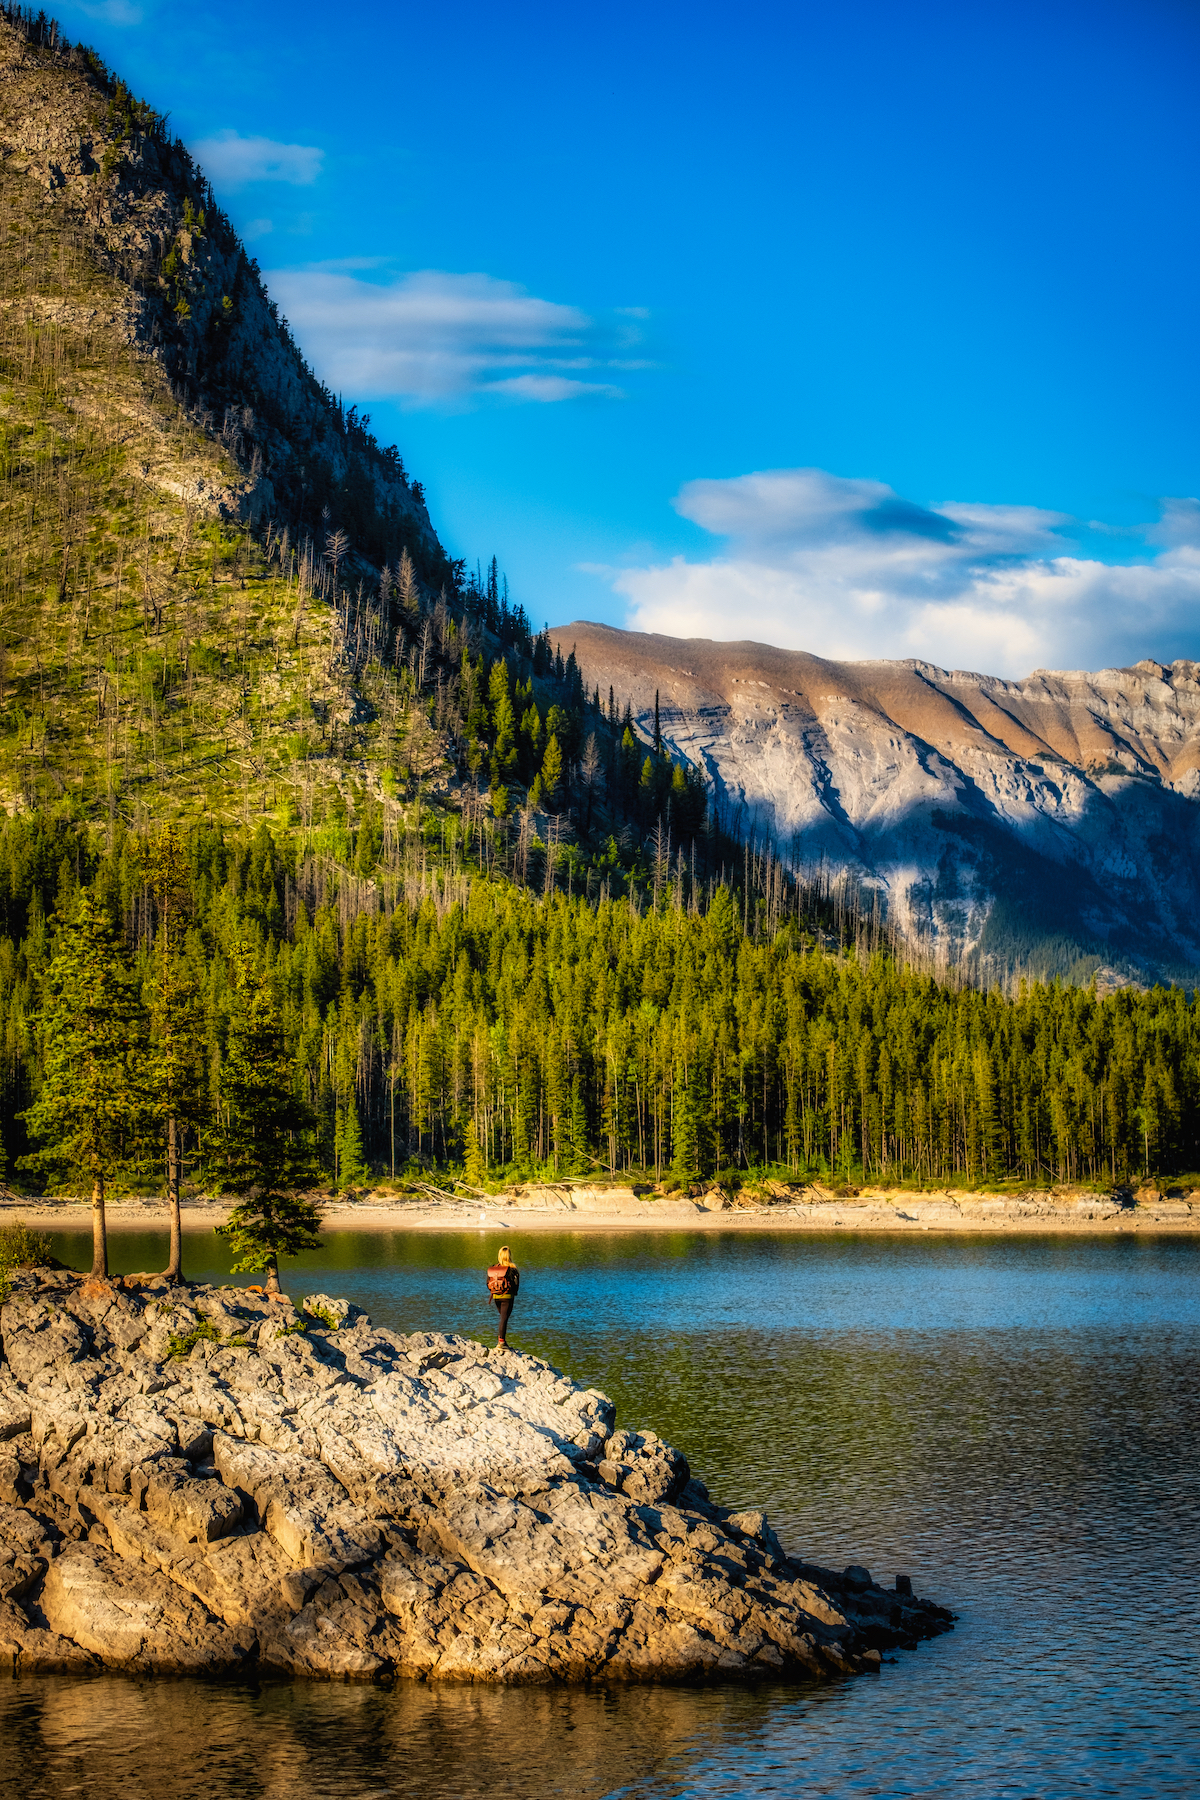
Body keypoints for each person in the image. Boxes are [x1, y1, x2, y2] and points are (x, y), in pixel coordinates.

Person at [485, 1244, 519, 1348]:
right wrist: (513, 1293)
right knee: (504, 1319)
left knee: (502, 1318)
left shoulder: (494, 1268)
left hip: (496, 1296)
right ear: (509, 1256)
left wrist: (495, 1292)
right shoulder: (512, 1269)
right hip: (507, 1297)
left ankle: (502, 1340)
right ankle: (501, 1342)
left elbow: (487, 1283)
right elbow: (516, 1284)